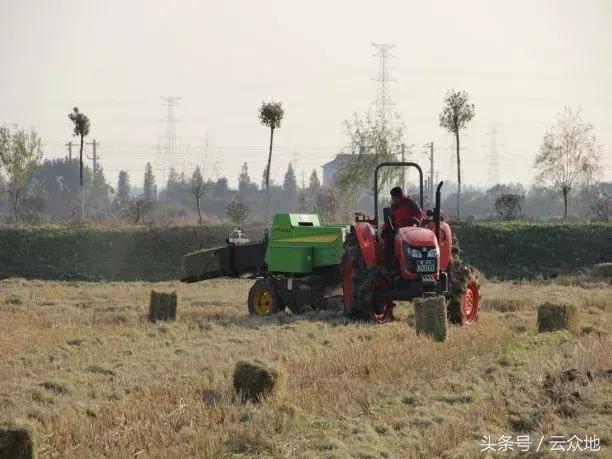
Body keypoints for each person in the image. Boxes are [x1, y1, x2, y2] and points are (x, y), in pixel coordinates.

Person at [382, 187, 425, 268]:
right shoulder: (394, 207)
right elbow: (390, 220)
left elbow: (420, 214)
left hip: (411, 230)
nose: (392, 200)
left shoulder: (410, 203)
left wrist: (416, 224)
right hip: (398, 230)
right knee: (389, 239)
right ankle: (390, 265)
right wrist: (384, 230)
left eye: (393, 198)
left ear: (397, 197)